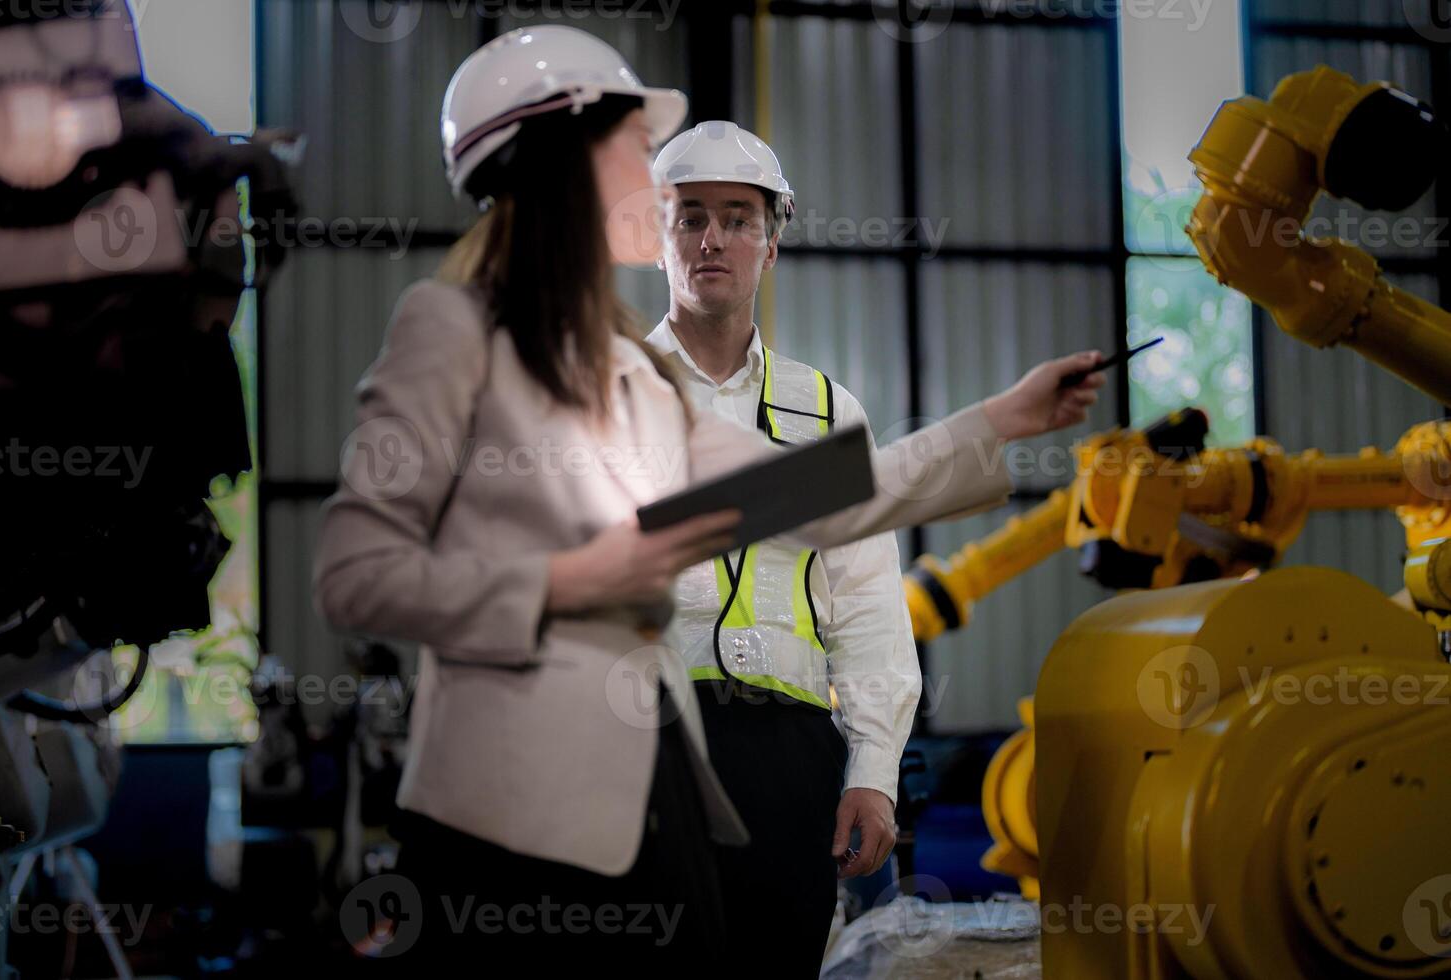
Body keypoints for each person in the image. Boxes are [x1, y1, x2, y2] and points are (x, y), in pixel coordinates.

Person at [310, 23, 1105, 974]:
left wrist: (1000, 421)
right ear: (559, 151)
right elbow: (358, 575)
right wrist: (568, 581)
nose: (657, 180)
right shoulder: (452, 329)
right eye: (635, 149)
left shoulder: (628, 375)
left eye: (735, 213)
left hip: (641, 806)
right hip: (495, 806)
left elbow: (821, 501)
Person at [647, 120, 925, 976]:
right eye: (690, 216)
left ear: (773, 241)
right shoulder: (610, 394)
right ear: (659, 238)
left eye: (737, 217)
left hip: (789, 761)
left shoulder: (823, 413)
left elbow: (871, 603)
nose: (712, 239)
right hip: (644, 748)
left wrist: (873, 768)